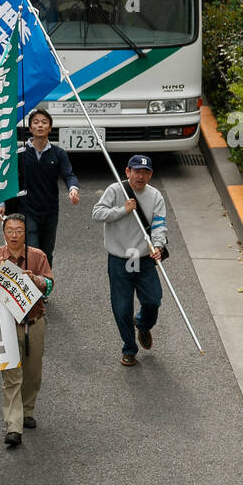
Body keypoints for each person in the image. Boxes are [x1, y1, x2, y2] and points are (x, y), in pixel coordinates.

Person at [0, 213, 53, 447]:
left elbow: (49, 286)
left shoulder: (37, 256)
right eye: (10, 231)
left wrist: (37, 281)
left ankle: (28, 409)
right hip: (6, 325)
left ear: (25, 233)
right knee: (12, 378)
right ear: (3, 233)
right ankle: (14, 426)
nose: (14, 235)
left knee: (32, 374)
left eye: (19, 231)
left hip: (34, 321)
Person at [91, 154, 168, 366]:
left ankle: (143, 324)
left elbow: (160, 224)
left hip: (143, 258)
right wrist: (122, 210)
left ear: (150, 175)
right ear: (128, 172)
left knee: (153, 300)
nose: (140, 176)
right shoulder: (115, 190)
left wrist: (158, 245)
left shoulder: (155, 196)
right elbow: (97, 213)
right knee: (122, 308)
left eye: (145, 172)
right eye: (137, 171)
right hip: (119, 259)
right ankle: (129, 348)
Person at [0, 107, 79, 267]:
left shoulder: (58, 153)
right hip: (27, 211)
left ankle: (44, 286)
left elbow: (69, 175)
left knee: (47, 254)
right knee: (32, 252)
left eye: (44, 122)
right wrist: (2, 204)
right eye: (36, 122)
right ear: (30, 128)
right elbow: (7, 181)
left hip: (50, 210)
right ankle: (31, 290)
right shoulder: (20, 153)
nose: (40, 125)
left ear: (50, 127)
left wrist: (73, 189)